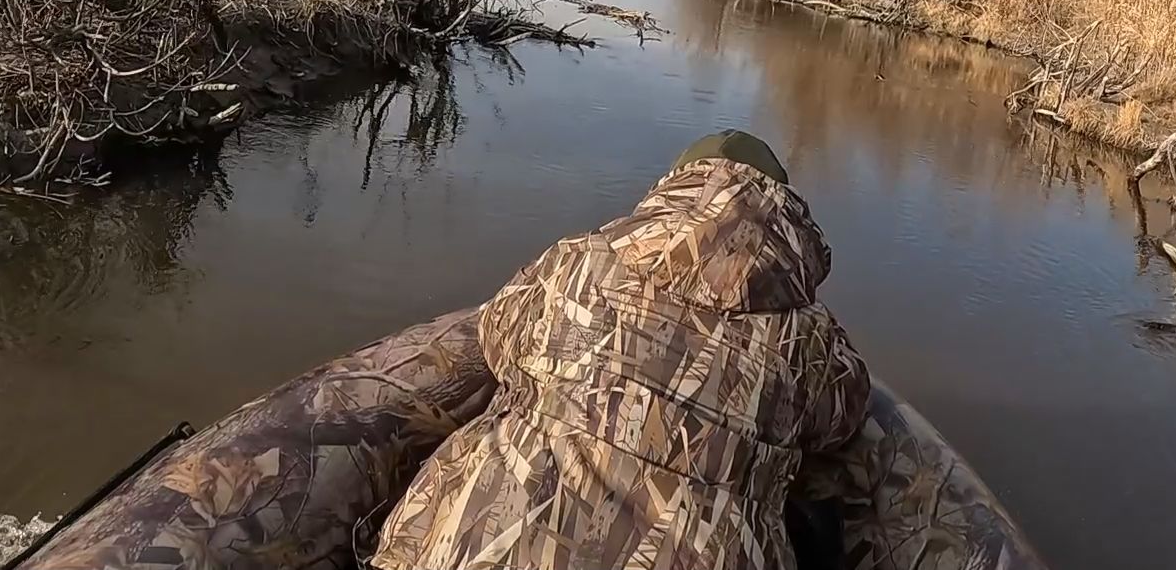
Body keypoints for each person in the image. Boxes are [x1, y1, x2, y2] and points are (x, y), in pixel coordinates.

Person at [369, 130, 871, 570]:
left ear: (674, 190)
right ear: (784, 219)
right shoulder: (808, 342)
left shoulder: (580, 262)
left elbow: (498, 339)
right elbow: (841, 420)